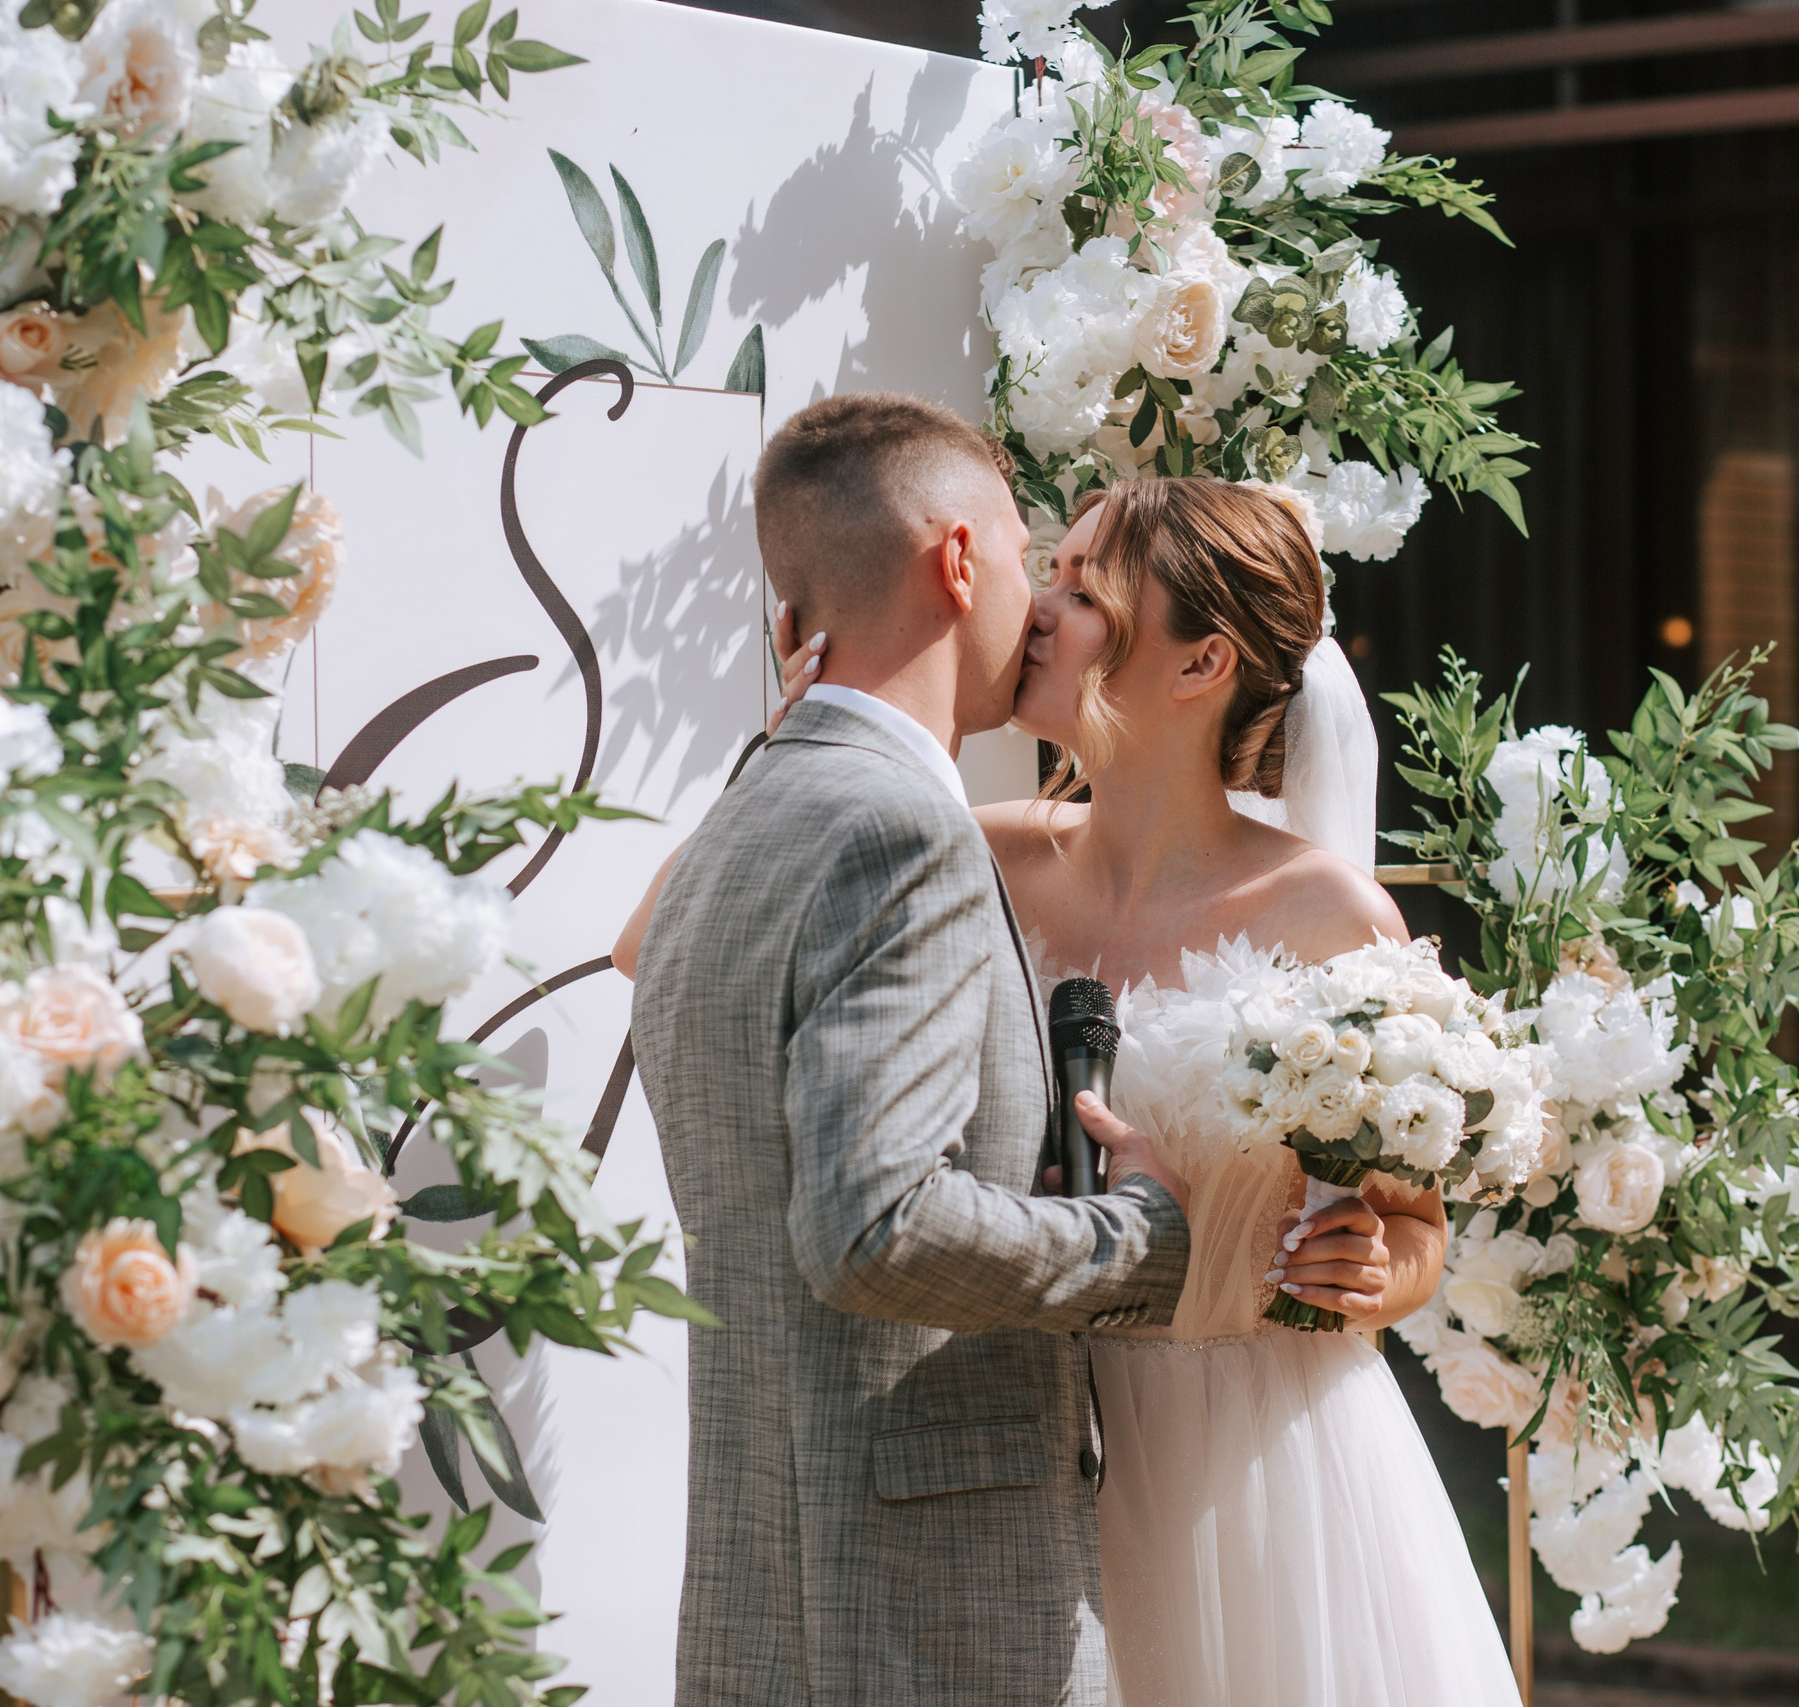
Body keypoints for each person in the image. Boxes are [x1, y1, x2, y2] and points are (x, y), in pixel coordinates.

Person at [685, 474, 1524, 1707]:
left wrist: (1366, 1269)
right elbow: (682, 935)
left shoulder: (1327, 913)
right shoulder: (973, 850)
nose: (1033, 608)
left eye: (1080, 590)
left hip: (1255, 1459)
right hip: (1027, 1425)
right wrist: (797, 741)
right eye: (1044, 573)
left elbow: (1412, 1234)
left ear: (1200, 664)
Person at [628, 393, 1197, 1707]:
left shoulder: (733, 827)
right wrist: (1144, 1232)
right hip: (930, 1618)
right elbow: (872, 1223)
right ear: (954, 559)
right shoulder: (902, 832)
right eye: (1019, 555)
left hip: (766, 1594)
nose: (1037, 603)